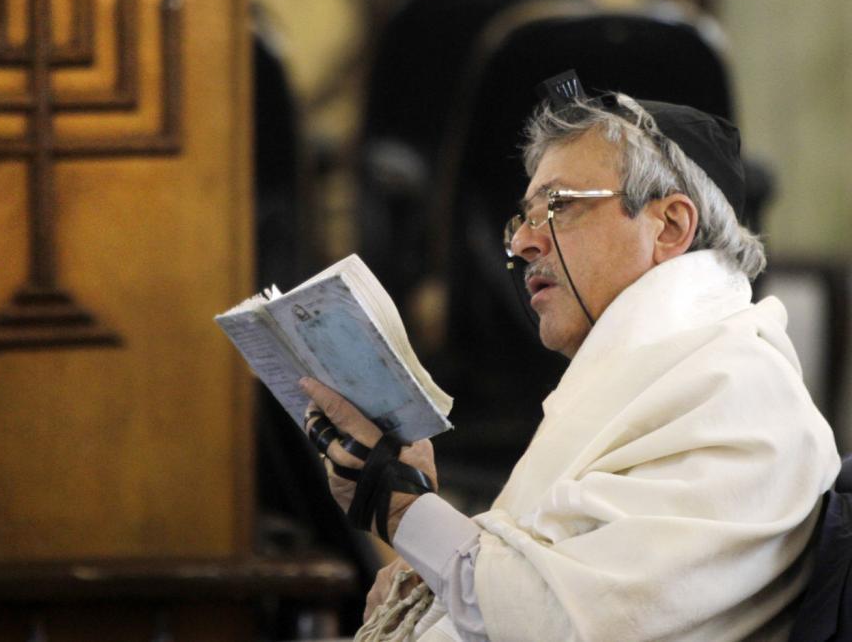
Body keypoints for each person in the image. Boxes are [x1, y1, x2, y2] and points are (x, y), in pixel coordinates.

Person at [300, 72, 841, 641]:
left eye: (557, 206)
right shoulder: (665, 380)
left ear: (671, 225)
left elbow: (560, 623)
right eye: (523, 217)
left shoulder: (741, 398)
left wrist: (408, 512)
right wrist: (430, 561)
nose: (521, 243)